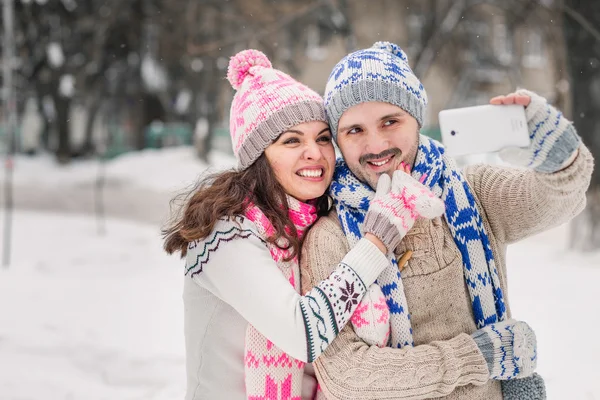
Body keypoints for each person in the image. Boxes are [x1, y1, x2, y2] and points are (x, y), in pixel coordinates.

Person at [300, 41, 594, 400]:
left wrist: (554, 149)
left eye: (390, 121)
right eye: (354, 130)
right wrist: (478, 357)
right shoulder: (330, 238)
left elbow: (557, 197)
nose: (376, 145)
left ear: (417, 119)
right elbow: (347, 375)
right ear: (339, 141)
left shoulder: (475, 192)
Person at [162, 49, 444, 400]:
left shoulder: (313, 225)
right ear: (258, 157)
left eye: (323, 138)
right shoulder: (226, 234)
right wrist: (376, 242)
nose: (315, 152)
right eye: (292, 140)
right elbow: (302, 332)